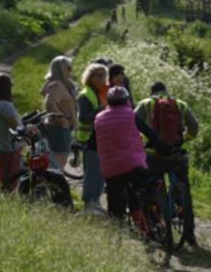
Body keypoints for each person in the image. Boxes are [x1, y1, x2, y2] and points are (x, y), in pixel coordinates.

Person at [136, 82, 201, 247]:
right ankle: (190, 232)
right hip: (175, 154)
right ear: (166, 91)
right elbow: (194, 126)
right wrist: (185, 139)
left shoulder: (146, 104)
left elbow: (133, 124)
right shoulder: (180, 104)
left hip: (152, 155)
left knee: (150, 189)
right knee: (184, 188)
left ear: (151, 92)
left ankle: (154, 227)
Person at [94, 86, 156, 221]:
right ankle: (153, 221)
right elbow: (149, 133)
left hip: (111, 168)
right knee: (149, 186)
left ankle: (117, 229)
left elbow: (95, 140)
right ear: (126, 100)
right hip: (133, 164)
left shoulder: (99, 118)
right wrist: (160, 145)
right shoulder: (130, 115)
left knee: (115, 209)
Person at [0, 72, 36, 193]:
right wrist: (31, 128)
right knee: (10, 187)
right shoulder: (5, 106)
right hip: (7, 151)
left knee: (3, 183)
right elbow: (18, 128)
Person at [76, 62, 109, 210]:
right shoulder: (85, 95)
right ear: (90, 77)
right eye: (99, 76)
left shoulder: (101, 93)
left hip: (102, 138)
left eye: (104, 76)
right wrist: (101, 111)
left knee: (102, 171)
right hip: (89, 138)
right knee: (92, 171)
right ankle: (89, 203)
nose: (102, 79)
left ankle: (96, 200)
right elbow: (83, 117)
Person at [40, 55, 77, 170]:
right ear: (60, 70)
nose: (70, 71)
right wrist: (62, 118)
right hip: (60, 129)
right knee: (58, 163)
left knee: (58, 161)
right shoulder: (57, 85)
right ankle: (53, 185)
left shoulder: (61, 84)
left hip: (61, 128)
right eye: (68, 68)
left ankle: (53, 184)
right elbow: (49, 103)